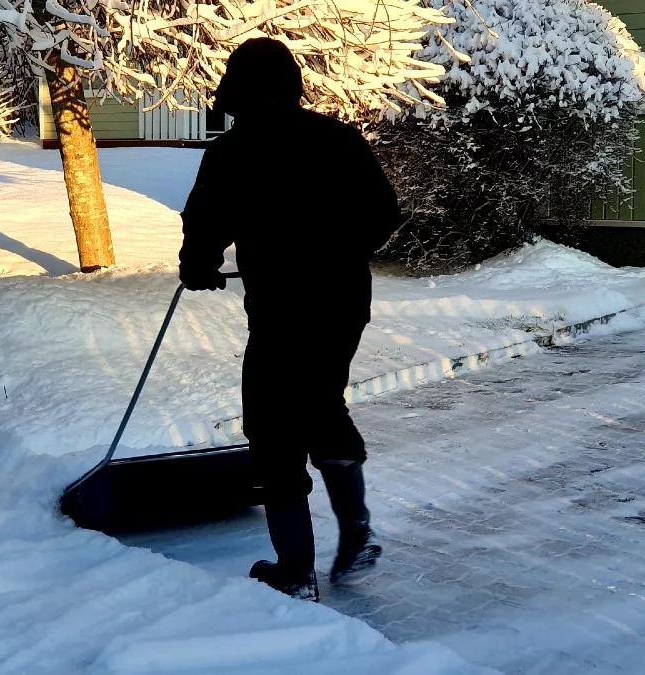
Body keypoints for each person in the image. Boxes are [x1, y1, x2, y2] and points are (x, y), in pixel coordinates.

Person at [179, 37, 401, 601]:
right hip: (344, 304)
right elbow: (384, 213)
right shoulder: (338, 140)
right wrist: (339, 252)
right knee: (322, 402)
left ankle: (295, 572)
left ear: (238, 90)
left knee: (274, 424)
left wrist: (199, 266)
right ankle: (356, 533)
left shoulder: (234, 151)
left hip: (281, 310)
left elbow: (205, 220)